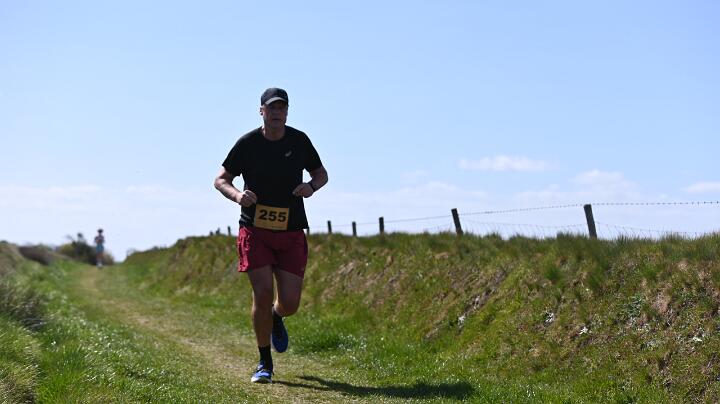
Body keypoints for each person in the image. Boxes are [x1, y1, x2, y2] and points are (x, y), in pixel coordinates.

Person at [213, 87, 328, 384]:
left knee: (290, 303)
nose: (277, 112)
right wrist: (238, 196)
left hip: (291, 231)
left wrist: (311, 187)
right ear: (261, 111)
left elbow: (321, 174)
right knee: (262, 293)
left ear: (287, 112)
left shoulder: (299, 141)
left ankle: (277, 316)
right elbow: (221, 179)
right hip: (255, 230)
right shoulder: (248, 143)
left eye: (282, 108)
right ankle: (264, 362)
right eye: (271, 108)